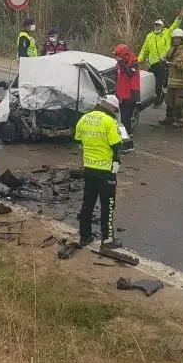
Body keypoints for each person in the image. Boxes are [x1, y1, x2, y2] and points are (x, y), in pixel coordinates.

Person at [75, 95, 125, 250]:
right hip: (105, 170)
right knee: (107, 205)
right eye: (114, 109)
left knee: (88, 202)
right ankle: (108, 239)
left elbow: (78, 140)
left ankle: (85, 236)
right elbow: (117, 145)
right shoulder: (109, 121)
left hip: (89, 168)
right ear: (111, 107)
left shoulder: (84, 118)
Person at [139, 10, 183, 107]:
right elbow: (144, 49)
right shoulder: (149, 36)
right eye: (156, 25)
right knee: (150, 85)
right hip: (152, 64)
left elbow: (174, 26)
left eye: (159, 25)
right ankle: (157, 96)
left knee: (159, 85)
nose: (157, 27)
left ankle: (157, 100)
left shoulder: (166, 33)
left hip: (162, 63)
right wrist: (139, 59)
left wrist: (179, 18)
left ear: (162, 26)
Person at [160, 29, 183, 128]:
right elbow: (165, 58)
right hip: (171, 80)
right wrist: (163, 61)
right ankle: (169, 118)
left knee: (180, 102)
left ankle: (180, 120)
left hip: (181, 81)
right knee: (169, 100)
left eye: (178, 38)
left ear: (182, 39)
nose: (176, 40)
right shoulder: (171, 49)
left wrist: (176, 64)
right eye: (175, 38)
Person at [113, 43, 140, 151]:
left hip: (131, 95)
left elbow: (129, 73)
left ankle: (128, 144)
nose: (117, 57)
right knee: (122, 120)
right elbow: (117, 77)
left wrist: (121, 63)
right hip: (122, 94)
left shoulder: (134, 63)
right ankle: (126, 141)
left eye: (118, 55)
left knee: (125, 119)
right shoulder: (120, 63)